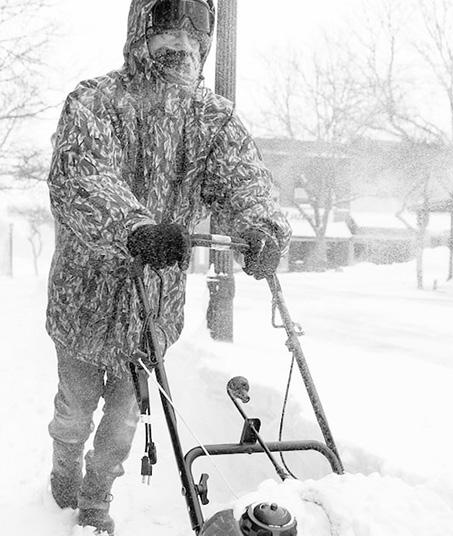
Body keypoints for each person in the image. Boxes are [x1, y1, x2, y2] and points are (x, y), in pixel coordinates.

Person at [46, 1, 291, 534]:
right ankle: (64, 471)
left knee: (122, 422)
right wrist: (135, 228)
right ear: (141, 34)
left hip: (151, 310)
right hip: (83, 303)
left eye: (195, 34)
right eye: (169, 31)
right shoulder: (94, 102)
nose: (182, 44)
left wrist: (263, 229)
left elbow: (246, 182)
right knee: (75, 412)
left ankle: (95, 500)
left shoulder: (213, 119)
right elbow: (80, 180)